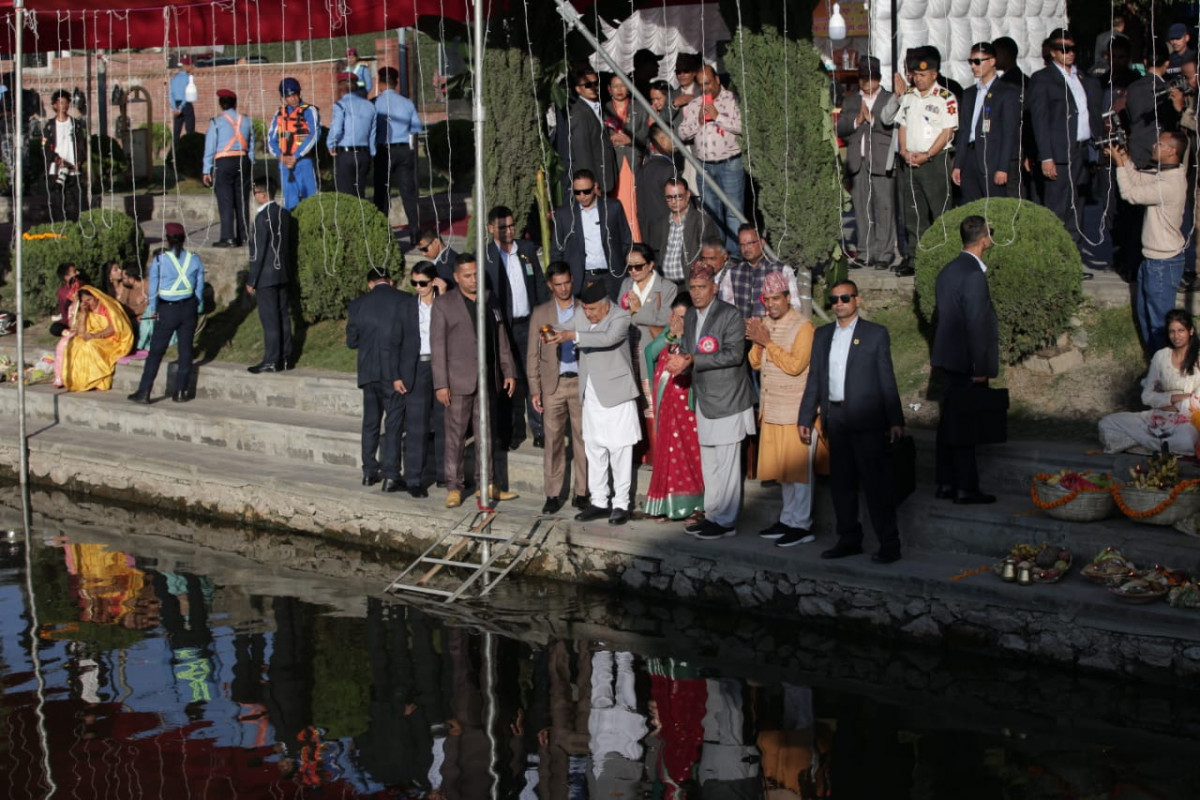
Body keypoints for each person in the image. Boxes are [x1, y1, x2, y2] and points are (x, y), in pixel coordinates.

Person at [798, 280, 905, 564]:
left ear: (857, 300)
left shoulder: (875, 334)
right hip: (835, 418)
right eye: (834, 299)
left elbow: (887, 379)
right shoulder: (821, 336)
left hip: (868, 420)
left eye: (845, 298)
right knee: (841, 485)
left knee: (876, 485)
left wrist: (895, 419)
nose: (839, 303)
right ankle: (849, 539)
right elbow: (814, 379)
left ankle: (889, 543)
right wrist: (806, 415)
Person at [665, 262, 756, 540]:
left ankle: (726, 521)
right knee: (710, 463)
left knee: (727, 464)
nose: (696, 292)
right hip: (704, 398)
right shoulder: (691, 315)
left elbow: (733, 355)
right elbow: (690, 351)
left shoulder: (730, 315)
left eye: (702, 287)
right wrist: (679, 356)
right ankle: (713, 515)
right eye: (692, 287)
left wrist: (692, 359)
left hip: (729, 398)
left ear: (714, 288)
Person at [546, 280, 641, 526]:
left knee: (620, 450)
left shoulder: (620, 317)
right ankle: (599, 500)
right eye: (585, 309)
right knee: (594, 448)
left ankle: (621, 504)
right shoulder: (581, 314)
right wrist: (552, 331)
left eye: (592, 310)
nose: (588, 314)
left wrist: (573, 335)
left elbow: (607, 338)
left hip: (616, 392)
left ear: (605, 305)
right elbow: (566, 327)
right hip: (591, 393)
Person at [431, 253, 518, 509]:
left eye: (476, 274)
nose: (473, 279)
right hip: (458, 381)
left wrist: (508, 370)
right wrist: (441, 383)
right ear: (457, 277)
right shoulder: (444, 305)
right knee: (456, 436)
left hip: (487, 378)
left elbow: (501, 336)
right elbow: (438, 346)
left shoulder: (490, 299)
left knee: (486, 434)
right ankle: (454, 487)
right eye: (467, 275)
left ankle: (487, 484)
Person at [931, 216, 1000, 505]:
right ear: (985, 239)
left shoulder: (948, 270)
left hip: (948, 360)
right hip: (966, 364)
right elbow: (976, 325)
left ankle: (946, 483)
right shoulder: (973, 275)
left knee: (949, 424)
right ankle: (965, 488)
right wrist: (980, 369)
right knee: (964, 429)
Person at [747, 272, 817, 547]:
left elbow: (796, 365)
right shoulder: (765, 323)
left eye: (776, 298)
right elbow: (755, 363)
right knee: (784, 472)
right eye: (767, 299)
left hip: (795, 410)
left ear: (788, 298)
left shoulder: (803, 327)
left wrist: (767, 343)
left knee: (799, 473)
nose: (771, 304)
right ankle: (788, 519)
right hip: (772, 408)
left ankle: (802, 525)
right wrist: (757, 340)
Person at [1111, 131, 1188, 352]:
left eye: (1159, 143)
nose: (1154, 145)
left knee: (1160, 325)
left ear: (1172, 151)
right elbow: (1137, 178)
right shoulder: (1165, 175)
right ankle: (1156, 367)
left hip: (1163, 263)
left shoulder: (1169, 185)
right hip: (1152, 260)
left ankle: (1167, 372)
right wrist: (1125, 159)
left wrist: (1117, 164)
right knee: (1146, 317)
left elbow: (1130, 193)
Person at [885, 50, 958, 276]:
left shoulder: (945, 97)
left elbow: (947, 132)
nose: (918, 79)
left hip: (934, 161)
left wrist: (927, 155)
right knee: (913, 213)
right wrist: (905, 151)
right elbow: (903, 125)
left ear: (934, 74)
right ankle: (916, 258)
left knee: (939, 211)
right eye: (915, 74)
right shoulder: (909, 96)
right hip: (910, 161)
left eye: (923, 74)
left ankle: (943, 257)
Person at [346, 268, 418, 493]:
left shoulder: (357, 305)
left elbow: (351, 342)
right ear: (391, 281)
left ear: (370, 284)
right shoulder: (405, 300)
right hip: (393, 372)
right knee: (394, 423)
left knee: (370, 422)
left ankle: (368, 471)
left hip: (368, 372)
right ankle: (391, 475)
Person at [1029, 28, 1100, 247]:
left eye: (1072, 49)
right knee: (1056, 208)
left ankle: (1073, 258)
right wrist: (1046, 156)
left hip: (1082, 150)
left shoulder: (1081, 77)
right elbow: (1039, 121)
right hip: (1058, 153)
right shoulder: (1043, 79)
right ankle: (1053, 260)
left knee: (1077, 206)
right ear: (1052, 52)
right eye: (1063, 49)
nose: (1069, 53)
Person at [484, 205, 547, 449]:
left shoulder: (527, 250)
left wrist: (544, 319)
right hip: (503, 328)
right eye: (503, 227)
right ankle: (507, 433)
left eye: (512, 225)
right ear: (491, 229)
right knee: (506, 381)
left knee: (534, 377)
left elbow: (539, 284)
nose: (509, 231)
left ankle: (539, 429)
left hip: (529, 324)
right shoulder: (487, 256)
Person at [528, 262, 589, 515]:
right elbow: (533, 352)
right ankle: (552, 493)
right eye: (558, 284)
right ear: (550, 286)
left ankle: (582, 491)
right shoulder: (541, 312)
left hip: (581, 381)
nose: (563, 288)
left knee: (583, 439)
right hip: (553, 384)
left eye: (566, 283)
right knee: (553, 441)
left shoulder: (585, 308)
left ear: (572, 280)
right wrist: (535, 388)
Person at [1099, 308, 1200, 455]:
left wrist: (1176, 404)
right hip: (1158, 416)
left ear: (1190, 331)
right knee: (1107, 423)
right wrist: (1173, 398)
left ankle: (1144, 444)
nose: (1176, 336)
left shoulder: (1198, 358)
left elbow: (1196, 401)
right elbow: (1146, 396)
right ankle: (1159, 446)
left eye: (1181, 330)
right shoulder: (1161, 357)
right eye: (1172, 331)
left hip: (1187, 421)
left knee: (1186, 441)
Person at [642, 293, 704, 521]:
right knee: (667, 454)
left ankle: (697, 505)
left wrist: (681, 337)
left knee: (689, 454)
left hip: (687, 407)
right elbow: (649, 352)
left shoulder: (698, 337)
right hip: (666, 406)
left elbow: (694, 363)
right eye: (675, 316)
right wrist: (671, 335)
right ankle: (667, 505)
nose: (679, 321)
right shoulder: (670, 336)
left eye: (683, 317)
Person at [128, 223, 205, 404]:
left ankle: (144, 391)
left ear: (167, 240)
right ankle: (180, 392)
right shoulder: (194, 259)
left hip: (167, 308)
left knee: (155, 352)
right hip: (188, 308)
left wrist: (153, 310)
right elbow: (199, 287)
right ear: (184, 238)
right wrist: (198, 305)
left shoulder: (160, 260)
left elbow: (153, 290)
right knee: (185, 350)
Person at [676, 65, 745, 253]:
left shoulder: (732, 100)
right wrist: (698, 122)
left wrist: (718, 117)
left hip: (730, 163)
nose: (704, 88)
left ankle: (735, 256)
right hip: (704, 166)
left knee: (733, 212)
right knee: (712, 213)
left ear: (717, 80)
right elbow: (681, 133)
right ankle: (718, 254)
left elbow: (742, 126)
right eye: (700, 85)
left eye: (707, 83)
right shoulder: (695, 104)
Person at [837, 56, 896, 269]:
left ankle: (884, 253)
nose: (866, 84)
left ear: (878, 79)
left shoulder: (890, 99)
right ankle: (864, 252)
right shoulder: (852, 100)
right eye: (862, 79)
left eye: (870, 79)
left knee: (884, 208)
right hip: (857, 162)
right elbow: (841, 128)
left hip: (880, 162)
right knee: (861, 209)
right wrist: (856, 122)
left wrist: (872, 120)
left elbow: (893, 127)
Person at [952, 42, 1021, 203]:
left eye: (978, 61)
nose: (973, 66)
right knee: (971, 207)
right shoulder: (969, 93)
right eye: (971, 62)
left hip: (992, 159)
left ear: (992, 61)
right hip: (970, 157)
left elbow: (1009, 133)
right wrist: (958, 164)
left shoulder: (1007, 93)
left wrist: (1003, 167)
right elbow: (964, 130)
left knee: (995, 208)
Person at [550, 168, 633, 300]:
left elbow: (626, 240)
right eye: (577, 192)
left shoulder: (612, 207)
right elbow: (557, 251)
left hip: (611, 277)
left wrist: (617, 261)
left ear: (595, 186)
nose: (582, 196)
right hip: (581, 279)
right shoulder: (564, 215)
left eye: (586, 191)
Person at [403, 261, 446, 496]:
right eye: (414, 283)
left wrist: (445, 293)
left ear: (434, 282)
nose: (418, 287)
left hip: (441, 367)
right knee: (417, 426)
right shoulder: (407, 306)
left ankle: (443, 475)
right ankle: (414, 479)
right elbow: (396, 341)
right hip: (417, 368)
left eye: (423, 283)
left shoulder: (445, 303)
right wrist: (399, 375)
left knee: (443, 423)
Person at [246, 178, 292, 373]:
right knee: (283, 317)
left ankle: (272, 359)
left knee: (270, 320)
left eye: (256, 192)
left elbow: (259, 251)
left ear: (263, 194)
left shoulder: (262, 217)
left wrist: (252, 279)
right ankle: (286, 357)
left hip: (266, 275)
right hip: (282, 273)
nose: (255, 196)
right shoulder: (283, 213)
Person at [373, 66, 423, 241]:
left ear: (380, 83)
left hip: (383, 150)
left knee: (382, 192)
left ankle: (381, 233)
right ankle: (415, 231)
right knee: (408, 192)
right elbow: (417, 127)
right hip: (403, 149)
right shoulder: (407, 103)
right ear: (396, 83)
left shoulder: (375, 103)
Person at [201, 89, 254, 247]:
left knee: (226, 201)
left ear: (220, 104)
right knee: (242, 200)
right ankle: (243, 236)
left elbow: (210, 147)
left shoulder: (216, 122)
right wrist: (250, 162)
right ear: (235, 104)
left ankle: (228, 237)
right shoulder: (247, 121)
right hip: (242, 160)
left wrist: (206, 169)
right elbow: (251, 146)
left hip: (223, 162)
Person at [55, 287, 133, 392]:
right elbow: (81, 332)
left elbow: (114, 327)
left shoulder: (107, 307)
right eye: (83, 302)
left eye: (89, 300)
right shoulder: (86, 310)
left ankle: (95, 380)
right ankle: (79, 380)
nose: (87, 304)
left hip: (112, 339)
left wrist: (96, 335)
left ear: (96, 297)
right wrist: (83, 313)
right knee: (75, 343)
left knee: (90, 346)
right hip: (94, 337)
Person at [556, 66, 617, 196]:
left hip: (605, 177)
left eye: (596, 83)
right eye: (588, 85)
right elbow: (582, 152)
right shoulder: (580, 113)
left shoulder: (596, 107)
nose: (594, 87)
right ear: (578, 89)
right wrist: (591, 183)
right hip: (596, 181)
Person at [718, 225, 802, 319]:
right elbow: (727, 310)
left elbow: (795, 307)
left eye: (750, 243)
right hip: (741, 331)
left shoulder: (782, 270)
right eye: (742, 244)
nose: (746, 248)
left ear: (762, 243)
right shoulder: (732, 274)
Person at [33, 88, 88, 223]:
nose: (63, 106)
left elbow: (82, 145)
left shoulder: (75, 124)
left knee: (79, 199)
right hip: (56, 169)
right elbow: (45, 148)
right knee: (57, 199)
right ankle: (59, 225)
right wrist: (57, 160)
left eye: (65, 102)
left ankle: (81, 224)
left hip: (73, 168)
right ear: (54, 105)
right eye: (60, 103)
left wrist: (79, 161)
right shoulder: (50, 126)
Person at [649, 177, 716, 285]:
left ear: (688, 194)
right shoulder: (661, 223)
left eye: (678, 196)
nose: (674, 201)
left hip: (690, 285)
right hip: (665, 286)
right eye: (669, 197)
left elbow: (710, 257)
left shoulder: (702, 221)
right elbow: (656, 254)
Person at [267, 78, 321, 211]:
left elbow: (314, 135)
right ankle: (291, 229)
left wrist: (296, 155)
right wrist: (281, 157)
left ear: (299, 93)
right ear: (283, 97)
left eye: (294, 94)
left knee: (310, 200)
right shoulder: (279, 113)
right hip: (285, 163)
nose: (292, 99)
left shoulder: (309, 111)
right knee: (290, 202)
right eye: (288, 96)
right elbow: (271, 139)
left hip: (303, 161)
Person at [603, 72, 642, 239]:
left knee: (633, 204)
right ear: (609, 89)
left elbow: (645, 135)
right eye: (615, 86)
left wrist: (630, 139)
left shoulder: (639, 108)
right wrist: (609, 139)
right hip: (613, 162)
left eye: (623, 85)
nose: (619, 89)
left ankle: (636, 240)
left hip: (632, 160)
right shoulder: (603, 109)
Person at [327, 73, 377, 198]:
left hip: (346, 154)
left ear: (340, 88)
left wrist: (331, 143)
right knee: (360, 193)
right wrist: (371, 153)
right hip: (364, 153)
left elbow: (337, 129)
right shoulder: (370, 106)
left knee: (345, 195)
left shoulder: (340, 105)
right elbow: (372, 133)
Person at [169, 56, 195, 143]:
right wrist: (181, 107)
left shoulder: (174, 79)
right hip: (185, 104)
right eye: (191, 65)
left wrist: (175, 108)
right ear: (187, 66)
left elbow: (171, 94)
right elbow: (187, 94)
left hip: (176, 104)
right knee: (190, 131)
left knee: (176, 132)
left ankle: (175, 151)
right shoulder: (188, 78)